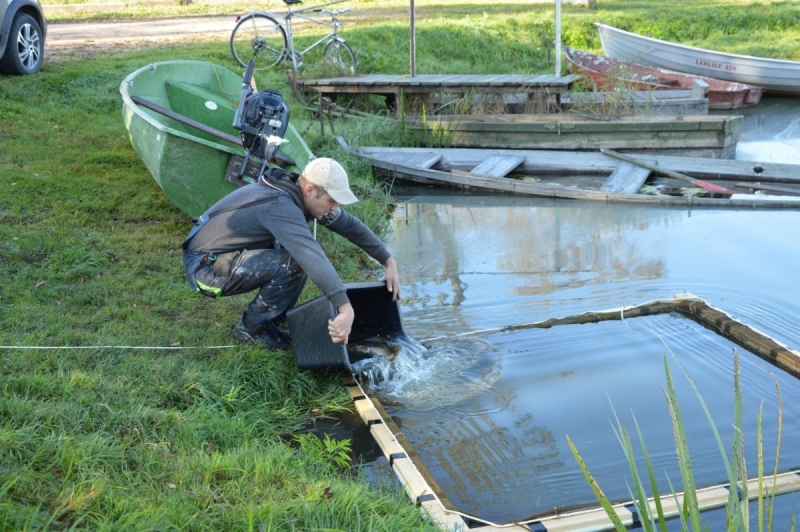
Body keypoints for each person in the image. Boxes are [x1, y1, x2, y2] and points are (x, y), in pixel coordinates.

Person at [181, 157, 401, 350]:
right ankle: (251, 328)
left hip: (226, 254)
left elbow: (348, 225)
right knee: (295, 260)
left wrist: (387, 259)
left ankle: (272, 320)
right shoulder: (280, 206)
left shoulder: (299, 196)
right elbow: (310, 255)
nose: (335, 208)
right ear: (310, 190)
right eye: (332, 201)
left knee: (293, 257)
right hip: (205, 267)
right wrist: (345, 308)